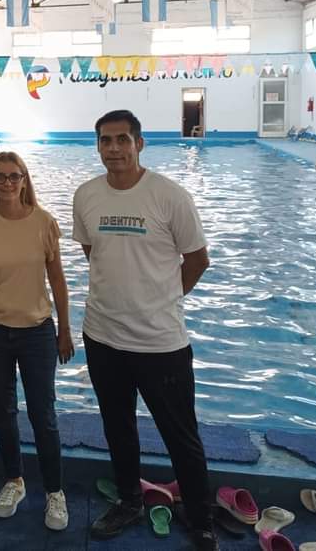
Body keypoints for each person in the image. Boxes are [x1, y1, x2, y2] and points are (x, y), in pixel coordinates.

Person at [72, 110, 216, 550]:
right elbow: (93, 253)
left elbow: (197, 260)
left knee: (180, 434)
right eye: (105, 140)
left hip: (160, 343)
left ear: (139, 143)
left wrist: (161, 300)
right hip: (102, 336)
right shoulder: (86, 195)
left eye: (122, 139)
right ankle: (130, 500)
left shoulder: (169, 196)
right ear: (98, 146)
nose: (113, 148)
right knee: (117, 427)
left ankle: (200, 517)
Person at [0, 151, 74, 530]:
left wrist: (64, 329)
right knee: (4, 411)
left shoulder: (44, 223)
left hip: (37, 332)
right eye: (0, 177)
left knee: (44, 415)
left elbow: (57, 280)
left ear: (25, 180)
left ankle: (54, 491)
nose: (8, 183)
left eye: (15, 176)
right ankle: (14, 480)